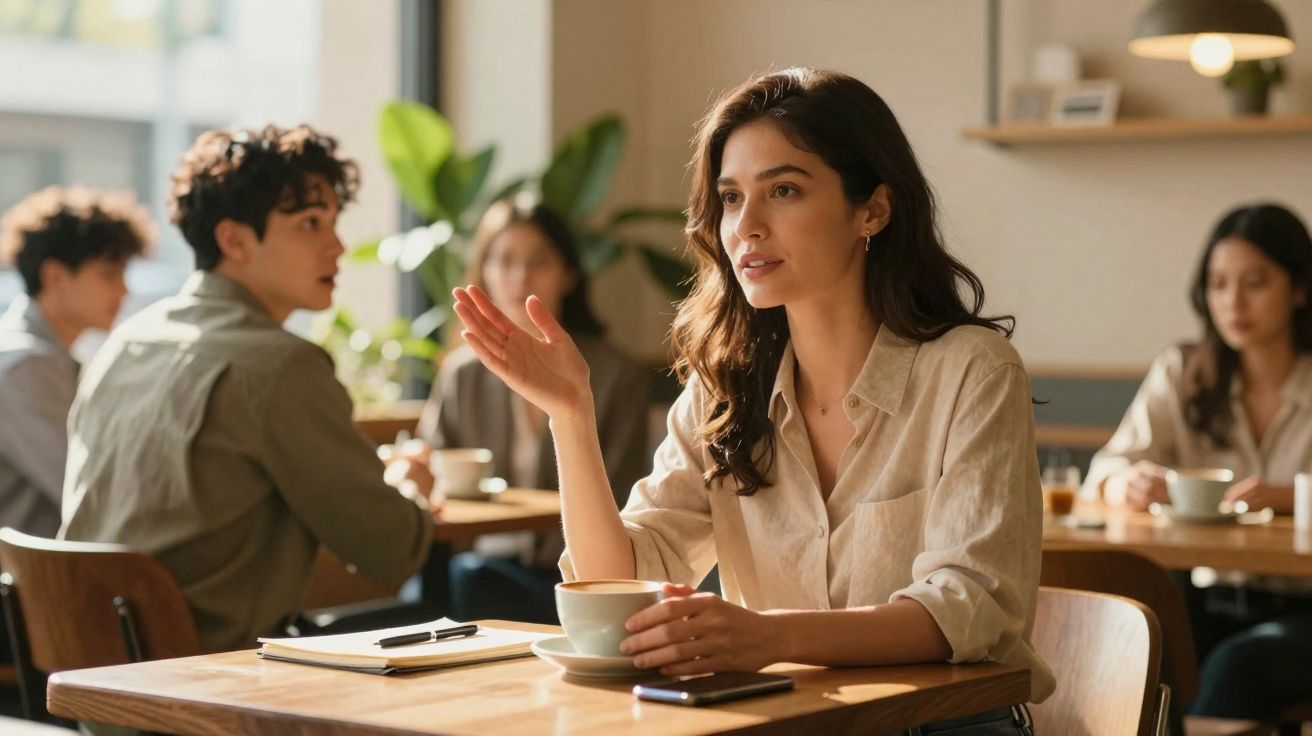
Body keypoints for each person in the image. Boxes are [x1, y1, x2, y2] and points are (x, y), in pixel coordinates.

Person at [452, 67, 1052, 732]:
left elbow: (971, 606)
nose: (746, 226)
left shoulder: (971, 372)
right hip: (779, 722)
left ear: (873, 210)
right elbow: (620, 579)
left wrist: (771, 637)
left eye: (784, 191)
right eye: (732, 199)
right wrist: (569, 416)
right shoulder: (726, 384)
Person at [60, 125, 435, 653]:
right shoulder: (281, 366)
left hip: (93, 685)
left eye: (333, 222)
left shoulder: (126, 342)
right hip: (212, 692)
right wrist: (409, 482)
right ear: (234, 240)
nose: (338, 246)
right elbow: (389, 550)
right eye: (310, 223)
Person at [1085, 203, 1312, 720]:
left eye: (1256, 282)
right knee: (1130, 646)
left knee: (1237, 667)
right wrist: (1128, 484)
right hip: (1205, 598)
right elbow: (1107, 470)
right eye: (1219, 283)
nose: (1233, 302)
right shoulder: (1183, 373)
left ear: (1299, 289)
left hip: (1304, 606)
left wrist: (1288, 496)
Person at [418, 198, 649, 624]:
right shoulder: (461, 374)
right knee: (449, 579)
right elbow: (432, 465)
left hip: (576, 578)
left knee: (467, 580)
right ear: (483, 271)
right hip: (479, 564)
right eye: (503, 260)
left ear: (569, 275)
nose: (519, 276)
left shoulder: (617, 376)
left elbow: (624, 498)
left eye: (538, 261)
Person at [0, 187, 150, 538]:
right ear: (54, 276)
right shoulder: (24, 365)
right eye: (109, 274)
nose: (124, 291)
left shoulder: (52, 358)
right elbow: (88, 493)